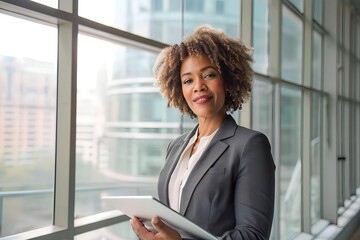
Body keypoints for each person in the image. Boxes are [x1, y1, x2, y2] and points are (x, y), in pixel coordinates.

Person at [130, 25, 275, 240]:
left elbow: (253, 235)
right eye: (188, 80)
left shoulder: (250, 145)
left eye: (208, 75)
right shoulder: (177, 146)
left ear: (227, 80)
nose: (198, 86)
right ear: (180, 90)